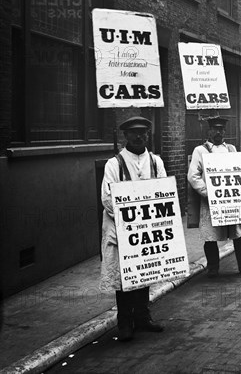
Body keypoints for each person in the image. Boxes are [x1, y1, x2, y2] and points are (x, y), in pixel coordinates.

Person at [100, 116, 166, 342]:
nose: (139, 136)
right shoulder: (114, 164)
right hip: (121, 230)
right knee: (123, 278)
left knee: (145, 272)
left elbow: (163, 191)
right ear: (125, 135)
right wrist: (131, 219)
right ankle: (124, 321)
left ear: (148, 135)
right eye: (134, 133)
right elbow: (107, 198)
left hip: (147, 232)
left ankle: (143, 317)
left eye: (144, 132)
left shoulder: (156, 162)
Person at [188, 116, 241, 278]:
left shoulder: (231, 149)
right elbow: (193, 176)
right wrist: (208, 193)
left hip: (232, 201)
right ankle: (213, 268)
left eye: (221, 129)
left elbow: (238, 172)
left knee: (239, 232)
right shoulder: (200, 151)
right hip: (211, 202)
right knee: (210, 235)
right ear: (209, 131)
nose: (218, 132)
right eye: (215, 129)